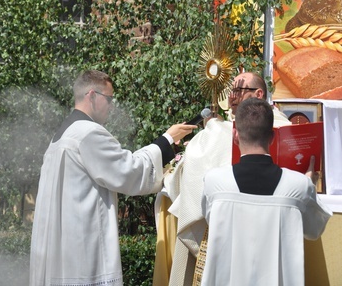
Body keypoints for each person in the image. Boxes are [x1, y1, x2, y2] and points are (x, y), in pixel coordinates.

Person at [29, 69, 196, 286]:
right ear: (91, 95)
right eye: (108, 99)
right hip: (82, 256)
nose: (111, 106)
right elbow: (129, 171)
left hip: (60, 253)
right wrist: (166, 140)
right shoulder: (88, 133)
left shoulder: (61, 135)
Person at [154, 71, 291, 286]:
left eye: (238, 90)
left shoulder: (280, 125)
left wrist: (213, 128)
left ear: (258, 93)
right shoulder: (222, 128)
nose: (231, 97)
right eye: (230, 91)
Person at [200, 97, 332, 286]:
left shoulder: (214, 181)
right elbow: (314, 230)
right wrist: (309, 185)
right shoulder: (299, 186)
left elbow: (210, 219)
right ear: (272, 137)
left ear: (235, 135)